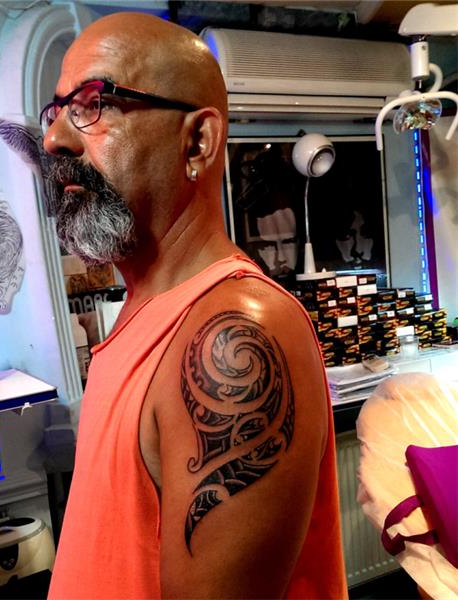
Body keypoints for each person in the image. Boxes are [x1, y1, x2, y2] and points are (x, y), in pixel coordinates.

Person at [41, 12, 347, 599]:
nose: (55, 139)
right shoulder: (143, 309)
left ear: (198, 142)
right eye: (57, 111)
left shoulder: (231, 333)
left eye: (94, 102)